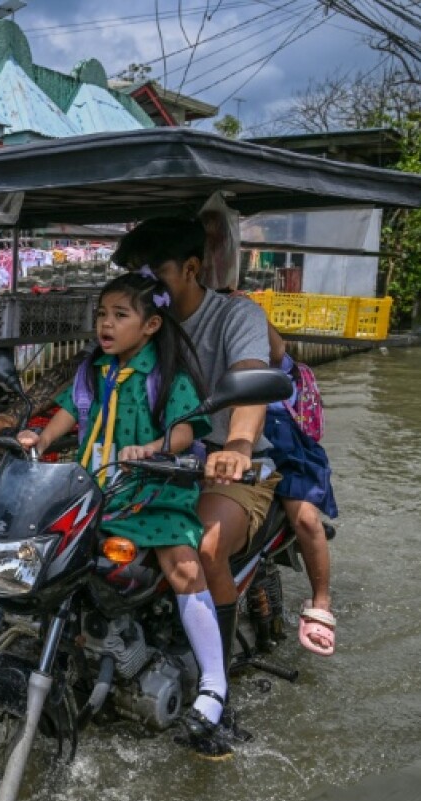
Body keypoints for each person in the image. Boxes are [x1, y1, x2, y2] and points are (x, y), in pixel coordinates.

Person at [15, 271, 234, 758]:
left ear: (152, 324)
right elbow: (71, 413)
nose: (105, 325)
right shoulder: (95, 370)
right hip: (100, 491)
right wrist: (42, 439)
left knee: (182, 563)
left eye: (119, 315)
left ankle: (215, 683)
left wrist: (154, 448)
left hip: (156, 492)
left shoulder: (167, 377)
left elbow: (184, 432)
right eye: (101, 314)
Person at [112, 217, 281, 692]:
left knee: (204, 548)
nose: (142, 282)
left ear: (190, 268)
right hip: (152, 464)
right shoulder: (139, 320)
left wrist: (238, 446)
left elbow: (251, 381)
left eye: (153, 271)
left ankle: (216, 688)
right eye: (133, 272)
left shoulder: (235, 316)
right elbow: (87, 377)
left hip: (227, 470)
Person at [266, 326, 338, 656]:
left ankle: (321, 600)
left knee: (307, 519)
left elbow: (277, 350)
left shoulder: (277, 365)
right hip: (222, 447)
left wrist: (247, 308)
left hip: (284, 451)